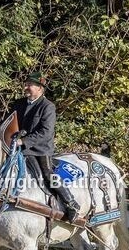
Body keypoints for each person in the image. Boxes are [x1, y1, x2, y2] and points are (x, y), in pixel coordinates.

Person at [9, 72, 79, 221]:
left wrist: (24, 141)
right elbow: (8, 123)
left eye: (30, 85)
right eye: (26, 84)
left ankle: (71, 203)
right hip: (16, 147)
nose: (26, 87)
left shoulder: (47, 106)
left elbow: (46, 132)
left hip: (39, 150)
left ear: (40, 88)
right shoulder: (18, 104)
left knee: (47, 174)